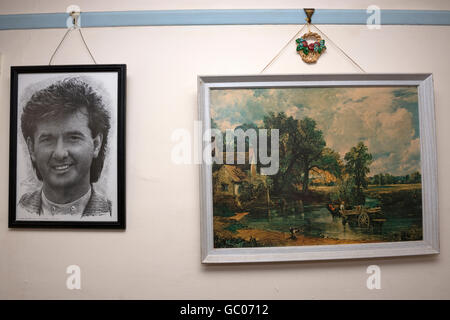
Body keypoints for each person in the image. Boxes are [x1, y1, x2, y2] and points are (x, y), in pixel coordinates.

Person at [18, 77, 112, 218]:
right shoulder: (18, 210)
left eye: (73, 138)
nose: (60, 153)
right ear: (31, 148)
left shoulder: (112, 213)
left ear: (96, 144)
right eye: (47, 139)